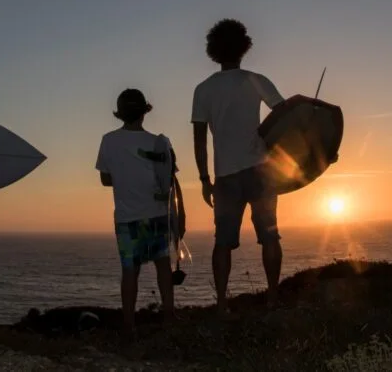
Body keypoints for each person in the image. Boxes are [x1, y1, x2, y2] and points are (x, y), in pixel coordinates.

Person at [191, 19, 285, 314]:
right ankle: (272, 298)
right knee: (270, 235)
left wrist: (205, 179)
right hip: (261, 171)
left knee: (223, 242)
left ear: (213, 50)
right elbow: (286, 118)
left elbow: (199, 139)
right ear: (244, 47)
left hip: (225, 176)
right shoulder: (256, 80)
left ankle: (221, 305)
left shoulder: (203, 89)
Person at [96, 88, 177, 340]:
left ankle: (129, 325)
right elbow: (168, 178)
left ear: (120, 114)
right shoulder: (157, 142)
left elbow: (105, 179)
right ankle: (169, 318)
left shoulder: (108, 140)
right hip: (156, 213)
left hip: (127, 217)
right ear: (144, 113)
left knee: (130, 271)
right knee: (163, 266)